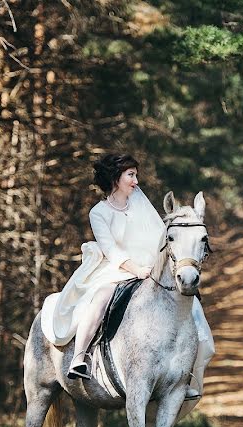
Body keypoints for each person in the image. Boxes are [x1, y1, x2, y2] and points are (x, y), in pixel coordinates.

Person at [41, 153, 213, 397]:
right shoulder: (98, 213)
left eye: (136, 175)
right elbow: (111, 249)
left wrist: (161, 267)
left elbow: (160, 235)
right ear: (115, 178)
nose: (136, 181)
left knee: (190, 305)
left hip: (150, 268)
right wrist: (136, 269)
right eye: (131, 175)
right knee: (101, 298)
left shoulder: (140, 201)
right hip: (116, 269)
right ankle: (80, 357)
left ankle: (185, 376)